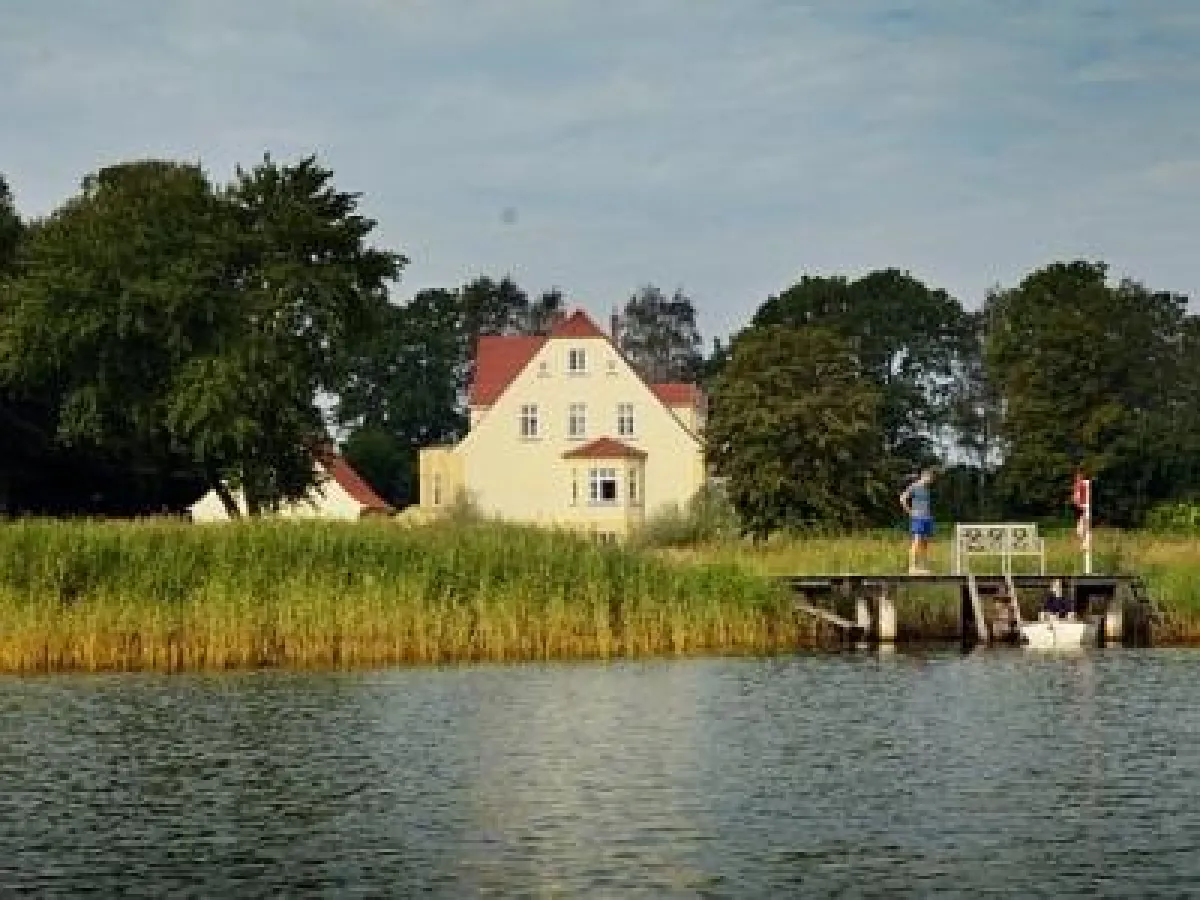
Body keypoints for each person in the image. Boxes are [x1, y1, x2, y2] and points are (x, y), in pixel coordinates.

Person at [899, 469, 935, 575]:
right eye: (930, 478)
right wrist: (910, 512)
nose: (931, 480)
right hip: (918, 518)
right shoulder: (914, 486)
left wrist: (929, 515)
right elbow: (902, 499)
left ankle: (923, 566)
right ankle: (912, 567)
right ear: (924, 476)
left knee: (925, 543)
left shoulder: (926, 489)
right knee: (917, 541)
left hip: (927, 518)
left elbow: (925, 503)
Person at [1071, 467, 1091, 549]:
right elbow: (1076, 497)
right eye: (1077, 477)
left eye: (1079, 477)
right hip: (1079, 509)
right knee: (1079, 530)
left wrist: (1083, 504)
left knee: (1085, 527)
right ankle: (1084, 542)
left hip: (1085, 507)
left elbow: (1085, 494)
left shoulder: (1084, 483)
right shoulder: (1077, 486)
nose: (1078, 478)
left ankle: (1086, 543)